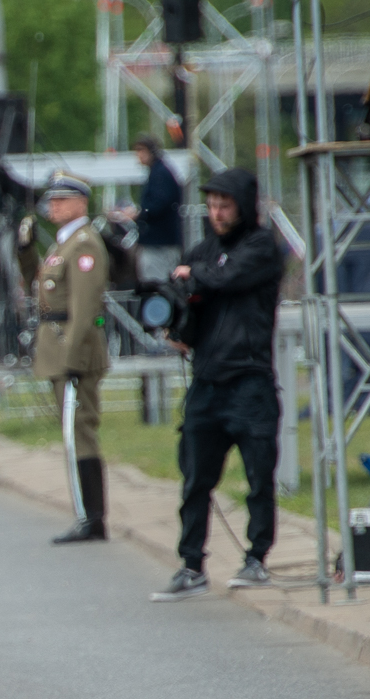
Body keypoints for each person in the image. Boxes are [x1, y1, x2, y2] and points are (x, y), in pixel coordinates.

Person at [152, 167, 287, 601]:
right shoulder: (202, 252)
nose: (217, 213)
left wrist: (191, 275)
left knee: (259, 477)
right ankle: (191, 565)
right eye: (211, 205)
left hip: (250, 380)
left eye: (224, 205)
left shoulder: (261, 246)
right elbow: (190, 298)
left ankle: (257, 557)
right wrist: (177, 325)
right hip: (207, 382)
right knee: (195, 479)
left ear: (242, 206)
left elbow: (228, 277)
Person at [18, 171, 112, 544]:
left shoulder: (83, 244)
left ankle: (92, 517)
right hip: (57, 346)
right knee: (72, 433)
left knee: (80, 434)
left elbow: (85, 308)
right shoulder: (64, 244)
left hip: (74, 350)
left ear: (81, 203)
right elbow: (39, 285)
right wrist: (25, 250)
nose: (53, 207)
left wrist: (72, 357)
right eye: (51, 200)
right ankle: (85, 514)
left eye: (61, 200)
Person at [114, 137, 184, 285]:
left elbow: (159, 203)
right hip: (158, 241)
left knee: (156, 284)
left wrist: (139, 213)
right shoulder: (158, 172)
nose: (138, 155)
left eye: (141, 151)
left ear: (151, 152)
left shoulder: (160, 174)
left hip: (159, 243)